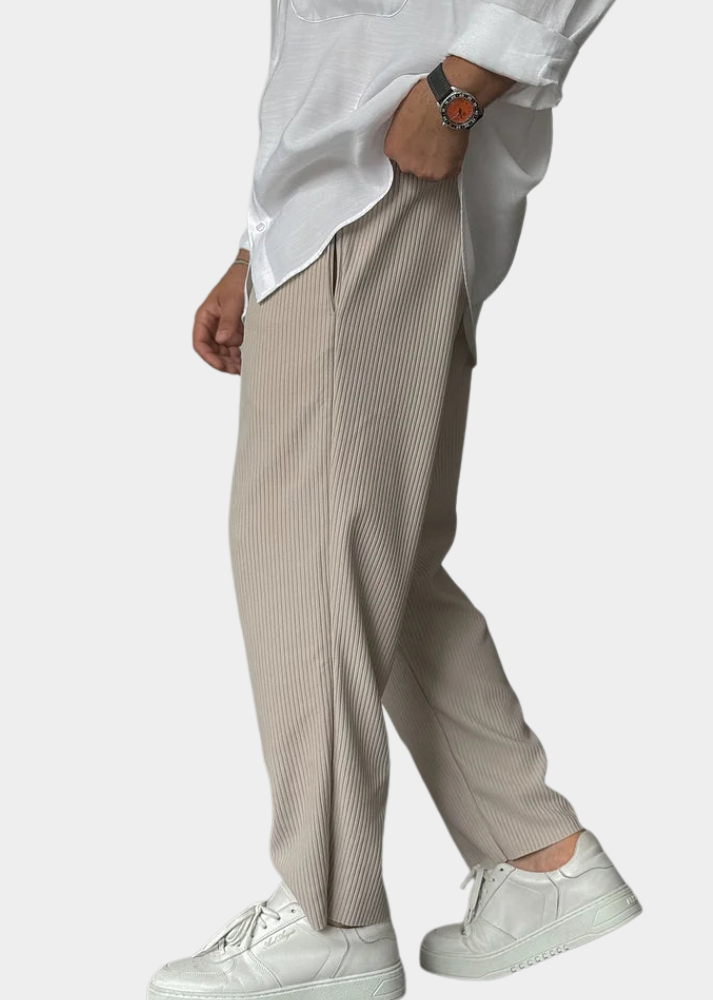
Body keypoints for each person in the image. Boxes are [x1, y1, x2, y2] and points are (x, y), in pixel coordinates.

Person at [148, 2, 641, 997]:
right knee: (378, 557)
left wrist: (462, 87)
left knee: (305, 550)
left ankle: (331, 914)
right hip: (333, 198)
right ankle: (536, 858)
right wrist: (258, 243)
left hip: (375, 180)